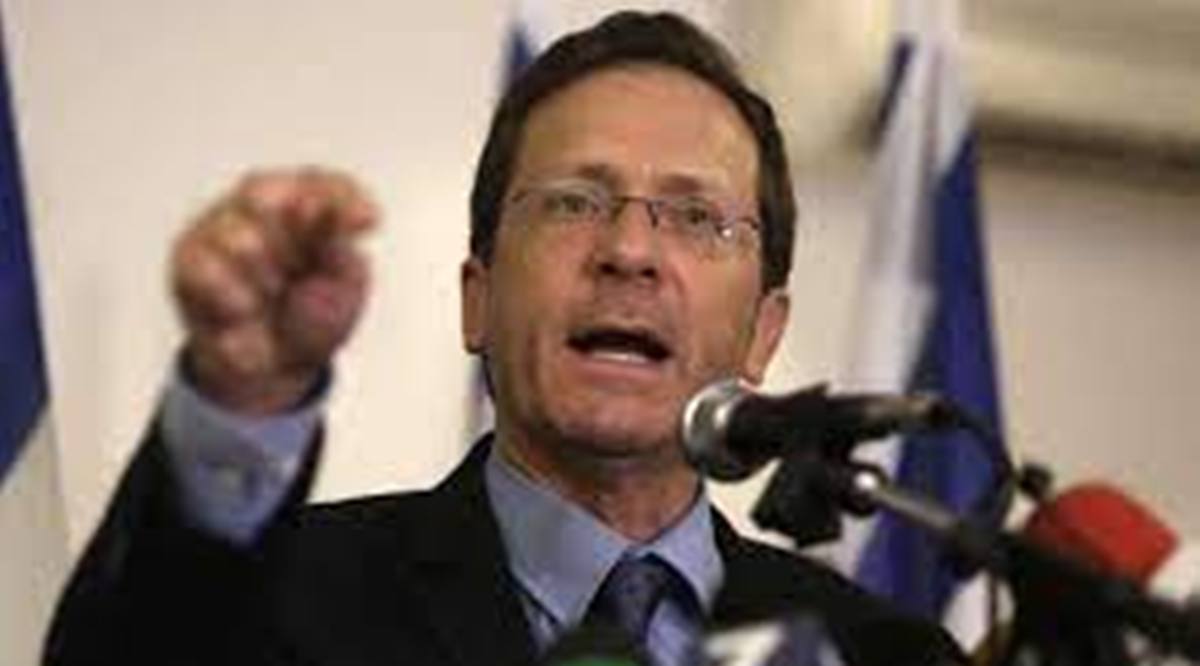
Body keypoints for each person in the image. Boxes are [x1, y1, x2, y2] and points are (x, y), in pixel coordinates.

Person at [43, 11, 960, 666]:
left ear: (764, 332)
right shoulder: (291, 603)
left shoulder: (877, 654)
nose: (630, 250)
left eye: (696, 217)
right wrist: (238, 404)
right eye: (573, 202)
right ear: (476, 300)